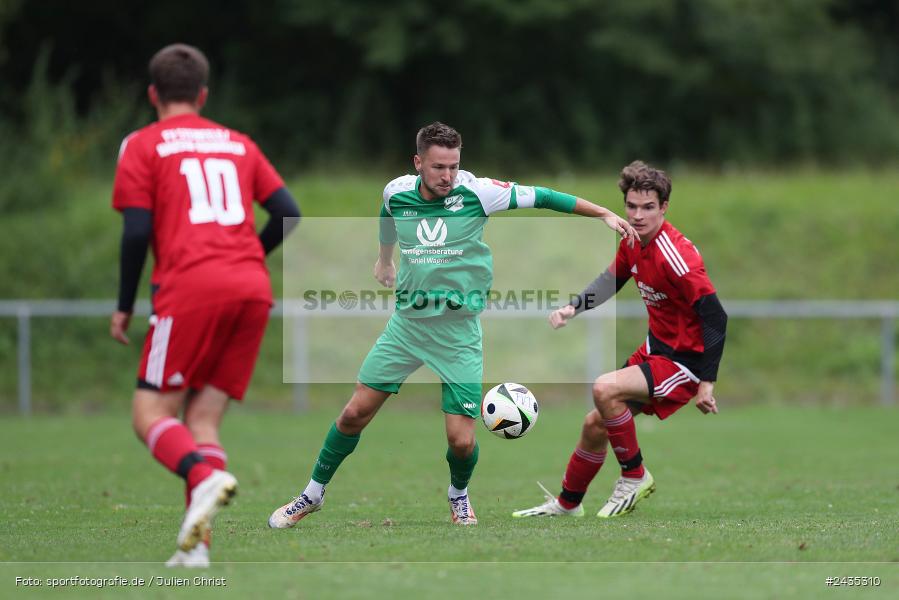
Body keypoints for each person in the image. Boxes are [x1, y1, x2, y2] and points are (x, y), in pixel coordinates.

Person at [268, 122, 637, 528]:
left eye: (454, 166)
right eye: (439, 167)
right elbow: (387, 214)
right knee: (354, 413)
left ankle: (458, 496)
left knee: (461, 442)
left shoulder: (477, 192)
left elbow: (543, 196)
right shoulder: (396, 191)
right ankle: (312, 494)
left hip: (458, 334)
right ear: (418, 163)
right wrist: (385, 258)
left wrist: (602, 212)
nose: (447, 176)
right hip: (406, 328)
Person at [110, 43, 300, 567]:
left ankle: (202, 476)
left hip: (190, 288)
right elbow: (287, 211)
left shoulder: (143, 145)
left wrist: (124, 304)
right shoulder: (238, 143)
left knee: (150, 411)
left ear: (152, 94)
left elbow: (136, 232)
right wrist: (245, 259)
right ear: (203, 94)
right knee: (204, 420)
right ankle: (197, 549)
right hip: (251, 288)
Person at [512, 160, 727, 519]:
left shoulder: (678, 257)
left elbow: (715, 316)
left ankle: (634, 475)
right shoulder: (632, 240)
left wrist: (707, 383)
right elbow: (611, 280)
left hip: (685, 361)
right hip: (656, 351)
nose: (638, 215)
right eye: (631, 207)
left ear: (664, 208)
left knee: (604, 388)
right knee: (594, 424)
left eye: (648, 208)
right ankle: (568, 504)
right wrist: (573, 308)